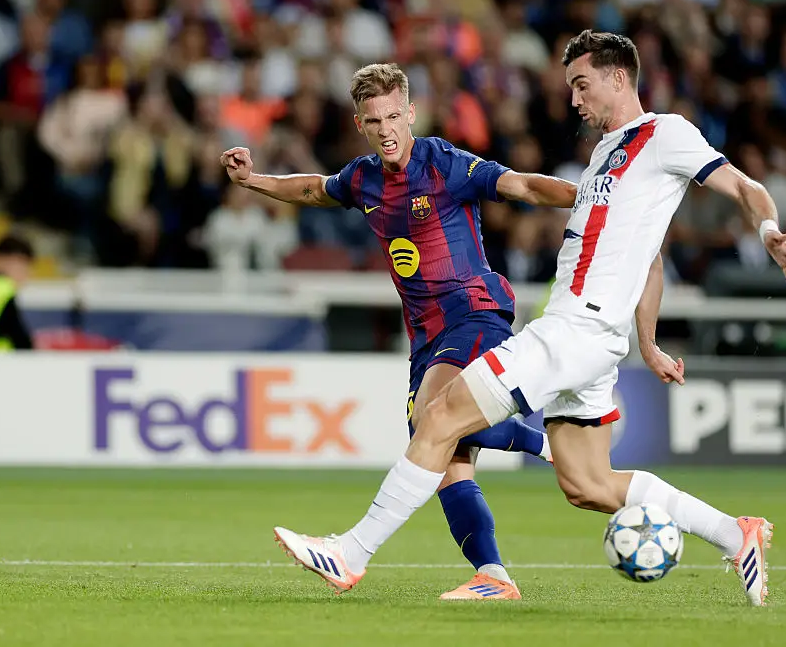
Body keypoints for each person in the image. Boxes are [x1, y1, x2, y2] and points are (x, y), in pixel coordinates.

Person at [272, 32, 786, 607]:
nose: (574, 100)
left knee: (438, 414)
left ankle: (351, 553)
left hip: (575, 328)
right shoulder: (606, 154)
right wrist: (646, 342)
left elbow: (746, 186)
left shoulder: (666, 134)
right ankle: (736, 533)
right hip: (594, 336)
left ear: (619, 78)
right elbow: (649, 253)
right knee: (588, 485)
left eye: (582, 85)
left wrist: (767, 230)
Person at [220, 63, 576, 600]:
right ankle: (494, 576)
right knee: (442, 457)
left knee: (434, 418)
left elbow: (522, 184)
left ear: (410, 113)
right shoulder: (363, 178)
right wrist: (253, 180)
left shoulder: (444, 164)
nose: (386, 129)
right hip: (425, 335)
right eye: (373, 120)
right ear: (360, 123)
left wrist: (597, 198)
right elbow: (315, 190)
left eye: (393, 116)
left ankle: (351, 553)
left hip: (474, 312)